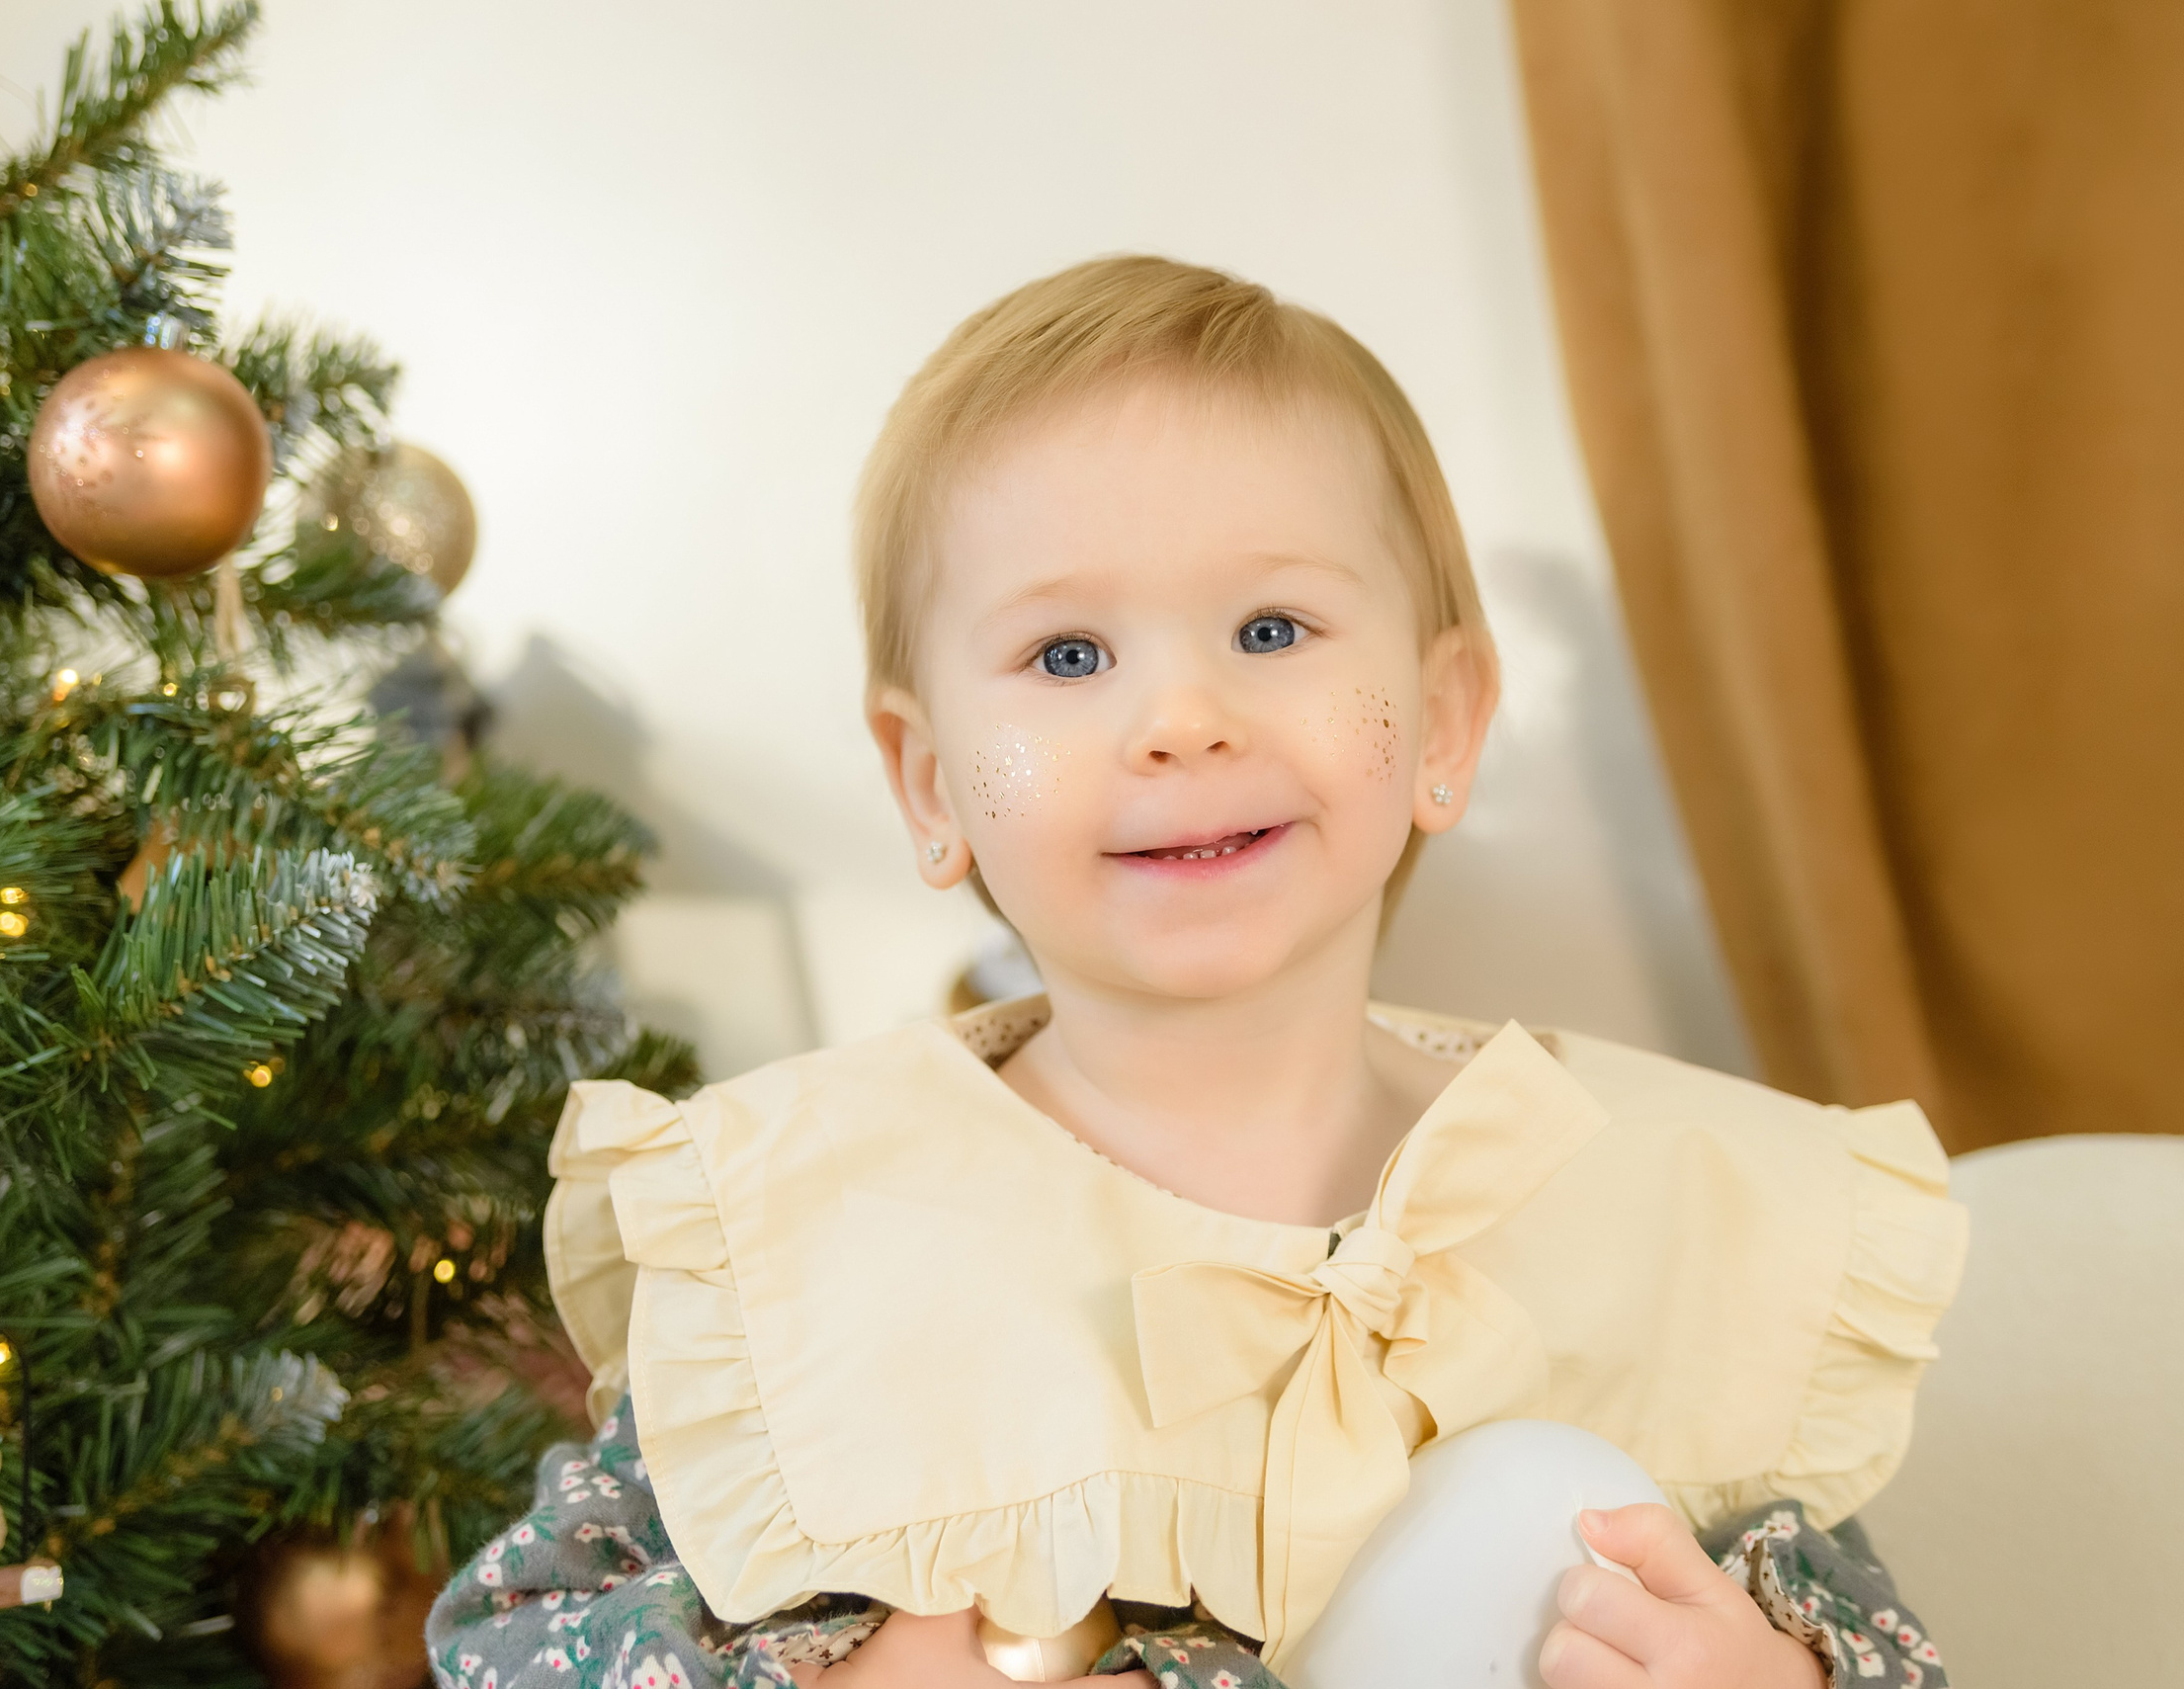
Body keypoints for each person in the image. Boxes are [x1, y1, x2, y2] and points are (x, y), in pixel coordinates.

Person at [428, 257, 1967, 1689]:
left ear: (1441, 721)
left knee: (1542, 1495)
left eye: (1272, 627)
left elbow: (1877, 1637)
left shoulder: (1668, 1200)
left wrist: (1779, 1673)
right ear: (932, 781)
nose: (1182, 719)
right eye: (1069, 656)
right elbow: (513, 1638)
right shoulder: (812, 1226)